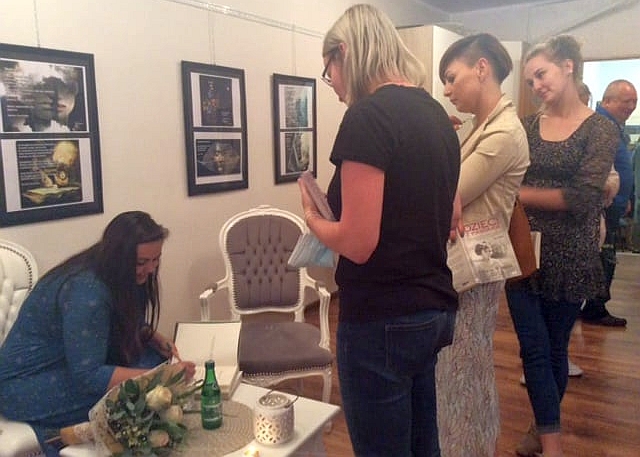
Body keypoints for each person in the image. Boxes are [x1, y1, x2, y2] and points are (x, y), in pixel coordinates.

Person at [298, 4, 460, 455]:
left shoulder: (368, 116)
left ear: (344, 52)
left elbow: (358, 243)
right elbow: (451, 213)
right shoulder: (435, 113)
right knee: (423, 444)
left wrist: (312, 219)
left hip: (382, 316)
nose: (333, 85)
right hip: (432, 308)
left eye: (329, 71)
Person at [0, 211, 196, 457]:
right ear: (119, 257)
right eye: (141, 262)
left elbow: (118, 318)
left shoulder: (107, 268)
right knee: (145, 392)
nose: (150, 269)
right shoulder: (86, 292)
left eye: (156, 259)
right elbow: (88, 376)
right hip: (24, 385)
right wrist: (161, 376)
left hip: (70, 364)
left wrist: (151, 335)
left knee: (155, 362)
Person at [505, 35, 618, 457]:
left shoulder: (601, 128)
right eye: (530, 80)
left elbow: (583, 197)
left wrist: (520, 194)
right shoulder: (525, 126)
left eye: (541, 74)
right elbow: (506, 174)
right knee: (533, 349)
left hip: (571, 256)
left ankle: (542, 427)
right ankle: (552, 445)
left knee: (554, 348)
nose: (536, 86)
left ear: (568, 66)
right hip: (522, 251)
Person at [434, 33, 529, 457]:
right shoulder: (484, 127)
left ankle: (468, 448)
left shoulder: (504, 132)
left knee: (462, 373)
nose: (447, 90)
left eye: (452, 78)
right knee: (460, 371)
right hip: (468, 264)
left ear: (482, 68)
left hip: (473, 268)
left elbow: (448, 192)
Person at [581, 79, 637, 326]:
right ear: (607, 101)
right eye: (626, 101)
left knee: (605, 257)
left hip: (614, 203)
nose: (631, 106)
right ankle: (594, 308)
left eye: (634, 102)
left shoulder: (613, 126)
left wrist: (626, 198)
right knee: (603, 258)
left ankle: (595, 305)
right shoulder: (601, 126)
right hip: (604, 206)